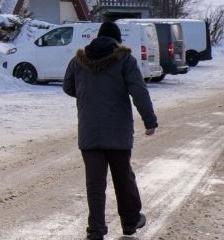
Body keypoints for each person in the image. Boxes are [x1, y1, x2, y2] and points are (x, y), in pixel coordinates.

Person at [63, 20, 158, 240]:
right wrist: (149, 120)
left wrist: (89, 95)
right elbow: (139, 91)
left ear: (97, 37)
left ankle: (95, 230)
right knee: (123, 177)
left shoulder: (78, 61)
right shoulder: (125, 60)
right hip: (118, 132)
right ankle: (130, 222)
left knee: (95, 184)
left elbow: (68, 86)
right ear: (117, 40)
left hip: (89, 132)